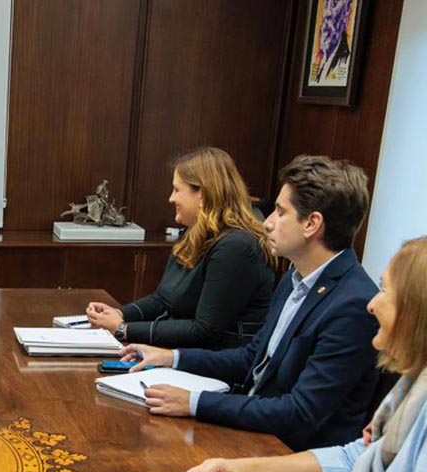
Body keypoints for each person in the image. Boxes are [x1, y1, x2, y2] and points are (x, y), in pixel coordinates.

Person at [175, 237, 427, 472]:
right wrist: (246, 468)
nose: (372, 304)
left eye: (385, 291)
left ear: (416, 311)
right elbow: (356, 459)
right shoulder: (411, 386)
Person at [120, 154, 379, 451]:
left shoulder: (353, 306)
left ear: (312, 224)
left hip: (289, 454)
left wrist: (194, 402)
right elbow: (251, 358)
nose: (267, 223)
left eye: (280, 213)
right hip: (254, 430)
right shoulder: (295, 278)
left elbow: (300, 413)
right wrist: (172, 357)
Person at [86, 147, 276, 348]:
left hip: (211, 368)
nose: (171, 198)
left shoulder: (236, 247)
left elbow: (205, 330)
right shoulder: (193, 233)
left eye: (177, 189)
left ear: (202, 194)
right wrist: (119, 314)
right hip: (180, 356)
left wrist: (124, 329)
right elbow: (162, 300)